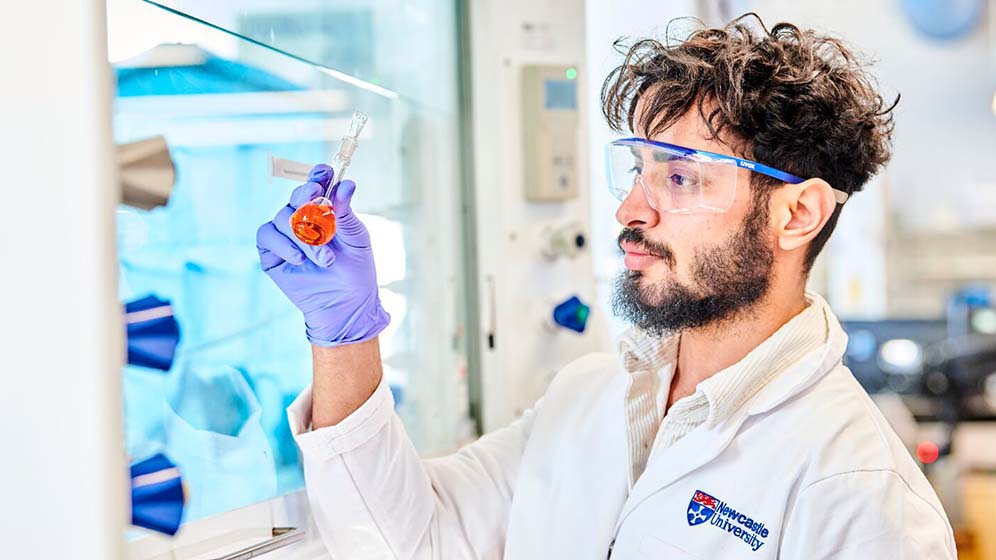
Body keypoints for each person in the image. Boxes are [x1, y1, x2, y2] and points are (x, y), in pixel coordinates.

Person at [255, 14, 956, 559]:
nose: (630, 212)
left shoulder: (859, 492)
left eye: (678, 177)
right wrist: (345, 336)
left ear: (796, 214)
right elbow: (402, 543)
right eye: (638, 171)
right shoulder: (586, 398)